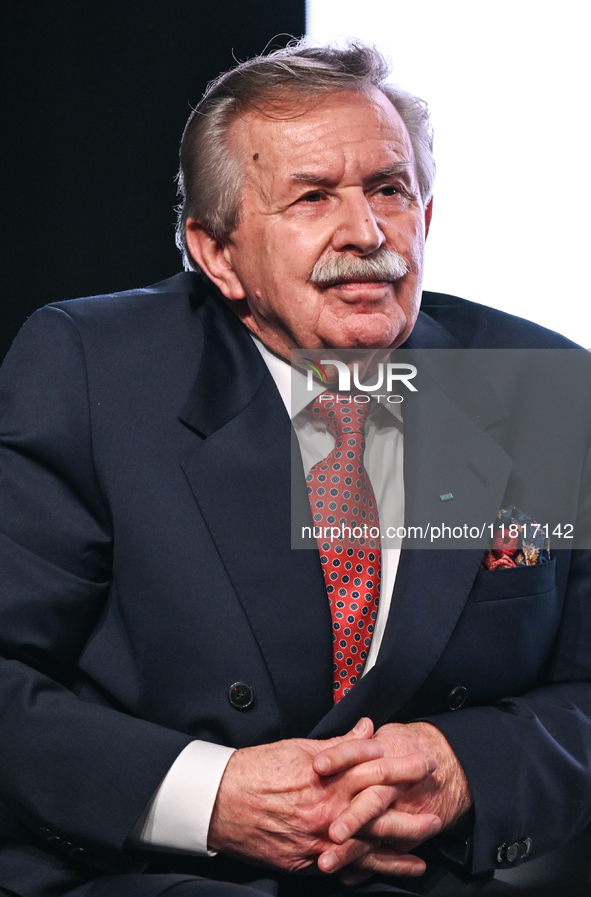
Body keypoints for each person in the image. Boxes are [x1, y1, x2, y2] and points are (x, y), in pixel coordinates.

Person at [0, 38, 590, 897]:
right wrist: (208, 794)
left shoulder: (535, 382)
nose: (366, 232)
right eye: (312, 197)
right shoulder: (94, 369)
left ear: (426, 217)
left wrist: (466, 761)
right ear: (216, 252)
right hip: (149, 873)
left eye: (389, 189)